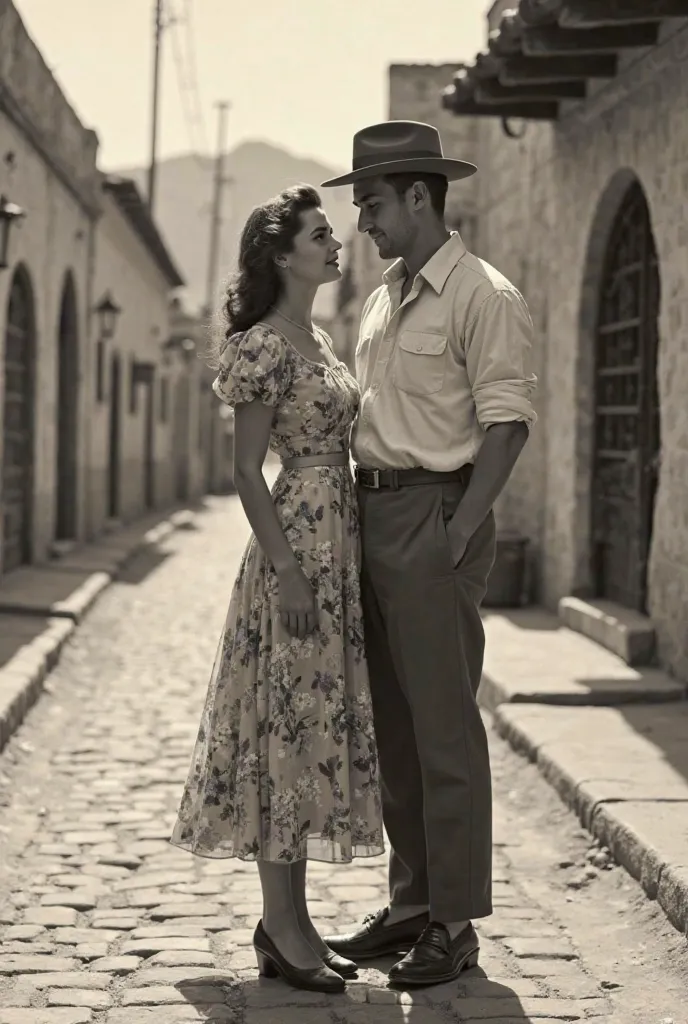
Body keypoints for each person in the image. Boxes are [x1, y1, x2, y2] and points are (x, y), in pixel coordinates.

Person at [320, 121, 537, 988]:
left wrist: (454, 534)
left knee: (445, 729)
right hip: (370, 521)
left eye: (371, 202)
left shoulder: (485, 294)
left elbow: (508, 423)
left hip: (432, 518)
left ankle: (455, 924)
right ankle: (412, 903)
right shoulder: (382, 297)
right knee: (398, 731)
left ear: (419, 196)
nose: (362, 221)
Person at [169, 184, 384, 995]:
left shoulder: (318, 338)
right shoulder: (263, 345)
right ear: (282, 253)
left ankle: (291, 925)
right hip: (295, 549)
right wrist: (290, 572)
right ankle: (283, 928)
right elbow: (243, 474)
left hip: (338, 544)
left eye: (333, 235)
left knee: (311, 728)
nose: (337, 245)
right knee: (283, 731)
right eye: (321, 235)